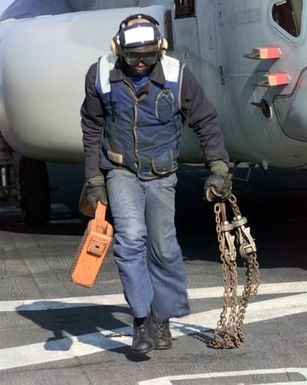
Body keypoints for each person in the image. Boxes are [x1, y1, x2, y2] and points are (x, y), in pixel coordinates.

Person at [80, 13, 232, 354]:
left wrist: (219, 167)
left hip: (162, 174)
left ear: (159, 50)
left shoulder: (178, 76)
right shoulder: (101, 75)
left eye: (147, 58)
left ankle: (161, 319)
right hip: (121, 171)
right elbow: (91, 126)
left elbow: (205, 120)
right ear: (119, 50)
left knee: (163, 247)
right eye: (133, 58)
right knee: (131, 240)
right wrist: (93, 177)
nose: (139, 65)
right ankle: (140, 321)